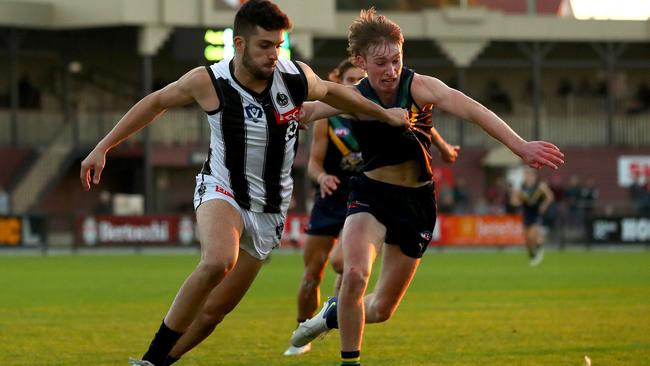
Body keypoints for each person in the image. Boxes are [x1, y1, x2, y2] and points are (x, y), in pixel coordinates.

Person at [79, 2, 408, 366]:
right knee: (219, 260)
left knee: (212, 315)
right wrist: (103, 147)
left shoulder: (295, 76)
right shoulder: (209, 81)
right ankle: (147, 361)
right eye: (264, 45)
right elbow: (156, 102)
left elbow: (335, 93)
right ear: (239, 44)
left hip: (269, 210)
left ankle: (156, 363)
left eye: (278, 45)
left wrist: (383, 114)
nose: (273, 54)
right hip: (222, 189)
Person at [289, 8, 564, 366]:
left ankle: (330, 315)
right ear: (360, 61)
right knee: (355, 274)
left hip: (416, 203)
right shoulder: (353, 97)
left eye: (396, 60)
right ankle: (350, 361)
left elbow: (473, 109)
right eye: (381, 63)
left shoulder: (418, 87)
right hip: (370, 195)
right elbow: (307, 110)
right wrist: (288, 108)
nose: (390, 71)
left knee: (382, 309)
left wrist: (520, 146)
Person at [283, 59, 459, 356]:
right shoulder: (337, 111)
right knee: (323, 271)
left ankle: (333, 312)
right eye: (351, 79)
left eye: (360, 77)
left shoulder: (389, 101)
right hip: (341, 194)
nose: (358, 83)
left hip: (389, 194)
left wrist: (441, 147)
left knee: (368, 294)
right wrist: (289, 112)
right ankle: (317, 327)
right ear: (341, 82)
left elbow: (417, 122)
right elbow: (312, 147)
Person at [512, 168, 554, 266]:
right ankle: (533, 255)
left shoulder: (540, 186)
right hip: (526, 214)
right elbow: (514, 201)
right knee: (527, 239)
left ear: (534, 176)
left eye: (530, 175)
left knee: (532, 235)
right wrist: (515, 198)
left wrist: (544, 205)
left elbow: (550, 197)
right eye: (526, 175)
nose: (528, 177)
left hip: (536, 214)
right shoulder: (521, 187)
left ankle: (540, 248)